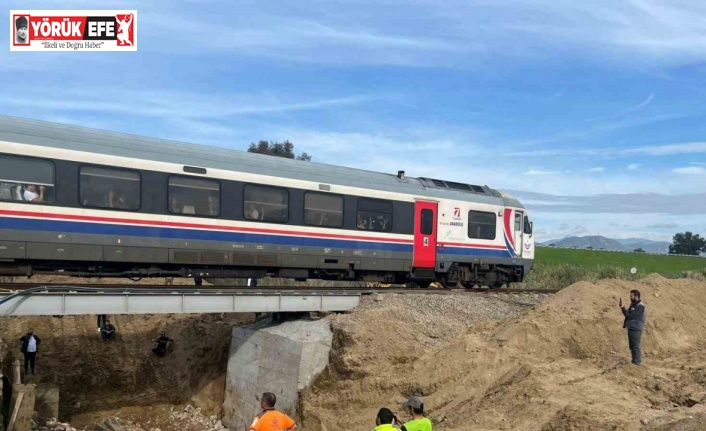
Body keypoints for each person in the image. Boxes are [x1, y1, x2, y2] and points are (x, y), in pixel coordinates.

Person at [619, 289, 646, 366]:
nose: (630, 297)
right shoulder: (633, 305)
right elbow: (627, 315)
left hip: (636, 329)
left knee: (635, 346)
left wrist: (627, 313)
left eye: (631, 296)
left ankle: (637, 363)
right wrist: (622, 308)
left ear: (636, 296)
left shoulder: (640, 306)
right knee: (632, 346)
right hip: (631, 328)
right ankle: (634, 362)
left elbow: (631, 316)